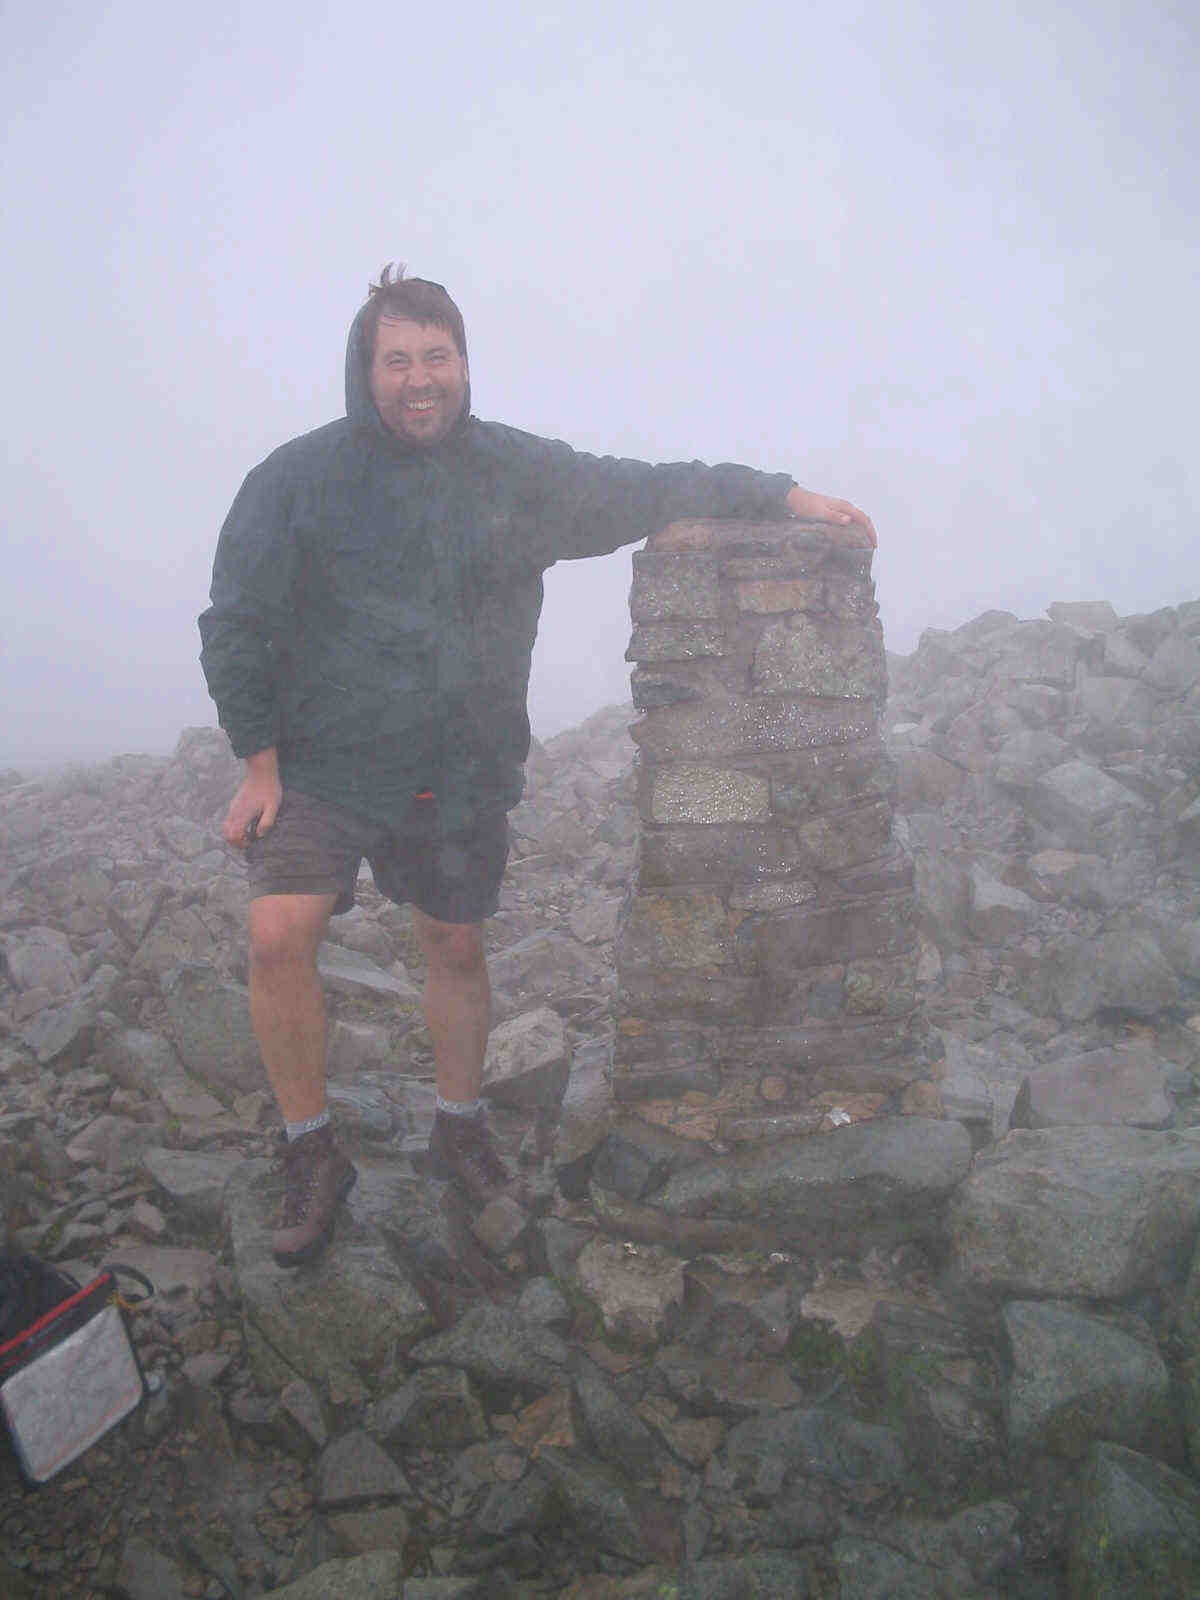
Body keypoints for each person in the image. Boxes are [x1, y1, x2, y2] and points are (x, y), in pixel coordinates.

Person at [199, 268, 876, 1268]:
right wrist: (259, 764)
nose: (420, 379)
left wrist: (778, 492)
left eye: (437, 356)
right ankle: (312, 1150)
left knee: (456, 946)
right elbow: (236, 620)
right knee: (276, 933)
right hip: (325, 759)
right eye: (399, 361)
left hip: (457, 761)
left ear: (463, 364)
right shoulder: (297, 480)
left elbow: (645, 486)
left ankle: (459, 1124)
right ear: (365, 369)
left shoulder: (514, 474)